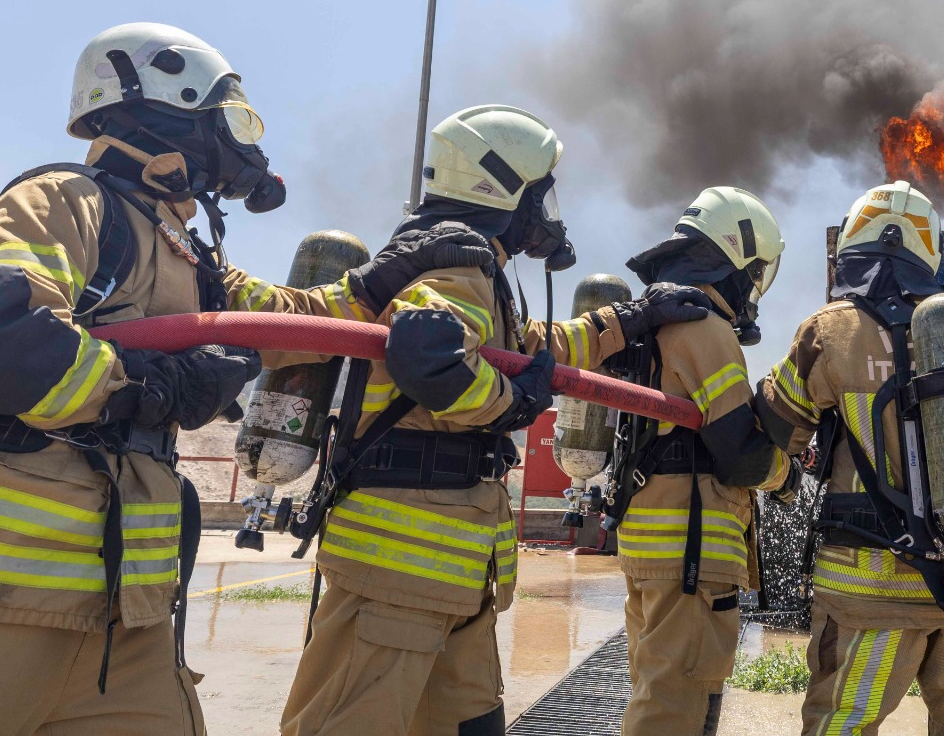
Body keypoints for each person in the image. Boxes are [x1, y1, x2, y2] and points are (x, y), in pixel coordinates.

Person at [0, 23, 485, 735]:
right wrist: (149, 390)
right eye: (233, 116)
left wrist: (394, 272)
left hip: (124, 622)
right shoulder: (67, 200)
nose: (242, 140)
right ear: (171, 95)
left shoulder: (190, 257)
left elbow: (292, 320)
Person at [280, 104, 713, 736]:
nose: (545, 210)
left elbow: (531, 348)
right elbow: (430, 358)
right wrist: (512, 403)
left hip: (450, 575)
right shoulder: (458, 264)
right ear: (502, 186)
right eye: (539, 193)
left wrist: (629, 320)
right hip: (398, 574)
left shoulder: (478, 270)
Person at [754, 181, 944, 736]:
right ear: (928, 250)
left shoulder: (829, 330)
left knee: (844, 722)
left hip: (871, 596)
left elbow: (774, 428)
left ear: (853, 243)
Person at [608, 186, 801, 736]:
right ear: (736, 263)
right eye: (755, 272)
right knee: (679, 704)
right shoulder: (705, 328)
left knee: (655, 689)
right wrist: (787, 475)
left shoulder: (656, 321)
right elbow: (739, 455)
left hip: (649, 544)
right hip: (690, 553)